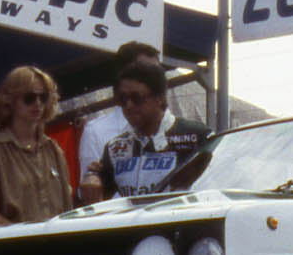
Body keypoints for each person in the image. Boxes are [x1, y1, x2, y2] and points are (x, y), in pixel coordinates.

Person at [78, 59, 209, 202]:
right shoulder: (115, 147)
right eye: (122, 99)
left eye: (136, 98)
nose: (128, 106)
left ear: (159, 98)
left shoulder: (197, 136)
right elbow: (92, 193)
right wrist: (92, 176)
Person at [0, 67, 73, 227]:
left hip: (58, 245)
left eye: (43, 97)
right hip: (14, 248)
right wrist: (26, 238)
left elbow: (68, 209)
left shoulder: (53, 149)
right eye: (29, 98)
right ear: (10, 101)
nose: (38, 103)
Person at [75, 42, 160, 185]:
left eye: (158, 74)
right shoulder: (96, 132)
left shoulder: (177, 129)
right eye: (146, 74)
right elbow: (88, 193)